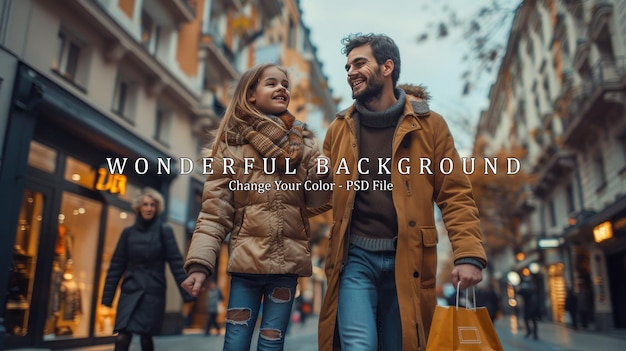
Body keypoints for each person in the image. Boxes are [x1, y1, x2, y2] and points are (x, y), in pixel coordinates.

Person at [316, 33, 487, 351]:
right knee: (358, 346)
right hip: (354, 258)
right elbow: (320, 199)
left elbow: (455, 194)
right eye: (347, 65)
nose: (350, 71)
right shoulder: (338, 129)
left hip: (408, 261)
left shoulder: (430, 126)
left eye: (359, 63)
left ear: (387, 67)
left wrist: (467, 254)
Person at [181, 63, 330, 350]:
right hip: (246, 267)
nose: (281, 88)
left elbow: (315, 202)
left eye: (285, 84)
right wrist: (199, 265)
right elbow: (214, 212)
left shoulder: (306, 143)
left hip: (286, 268)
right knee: (235, 342)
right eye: (271, 83)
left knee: (272, 343)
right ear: (251, 94)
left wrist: (322, 177)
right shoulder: (232, 146)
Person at [102, 187, 194, 351]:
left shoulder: (164, 231)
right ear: (138, 207)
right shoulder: (128, 233)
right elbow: (117, 265)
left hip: (152, 292)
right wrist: (107, 298)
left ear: (157, 208)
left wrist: (187, 294)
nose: (149, 208)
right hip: (130, 290)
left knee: (146, 337)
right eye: (145, 204)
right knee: (122, 337)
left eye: (152, 205)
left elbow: (175, 262)